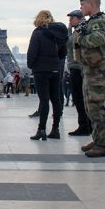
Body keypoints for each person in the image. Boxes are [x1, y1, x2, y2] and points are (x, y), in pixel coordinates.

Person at [72, 0, 105, 157]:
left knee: (97, 106)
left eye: (82, 5)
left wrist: (80, 39)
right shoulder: (92, 22)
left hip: (97, 69)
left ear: (91, 4)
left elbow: (98, 39)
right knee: (91, 106)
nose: (81, 8)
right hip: (90, 68)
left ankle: (103, 144)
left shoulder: (99, 22)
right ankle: (98, 138)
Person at [27, 10, 68, 141]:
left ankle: (41, 129)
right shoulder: (59, 35)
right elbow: (63, 53)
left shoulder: (38, 33)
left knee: (44, 100)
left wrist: (32, 65)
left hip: (41, 70)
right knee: (56, 100)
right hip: (55, 70)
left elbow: (32, 52)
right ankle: (55, 130)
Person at [65, 10, 91, 136]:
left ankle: (84, 126)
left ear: (78, 18)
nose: (69, 22)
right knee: (81, 98)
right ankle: (87, 125)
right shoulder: (82, 28)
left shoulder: (80, 29)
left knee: (79, 98)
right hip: (79, 67)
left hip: (78, 67)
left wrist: (68, 31)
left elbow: (70, 44)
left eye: (71, 19)